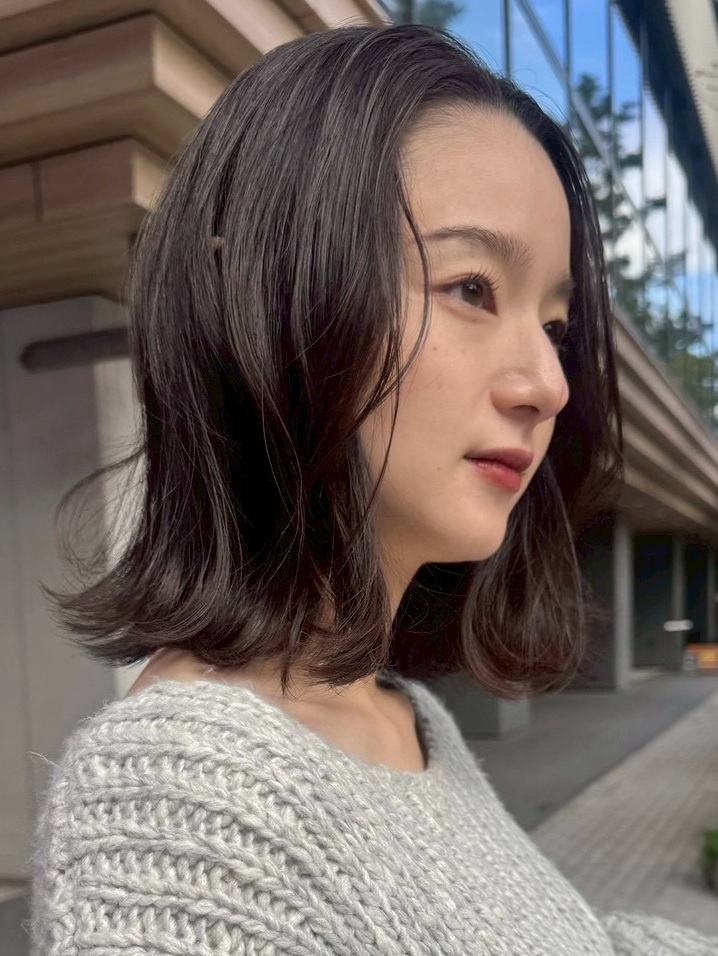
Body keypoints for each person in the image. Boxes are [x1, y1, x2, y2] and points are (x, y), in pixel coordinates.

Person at [29, 23, 715, 956]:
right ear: (273, 304)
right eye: (472, 288)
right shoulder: (177, 804)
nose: (549, 384)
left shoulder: (406, 716)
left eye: (555, 327)